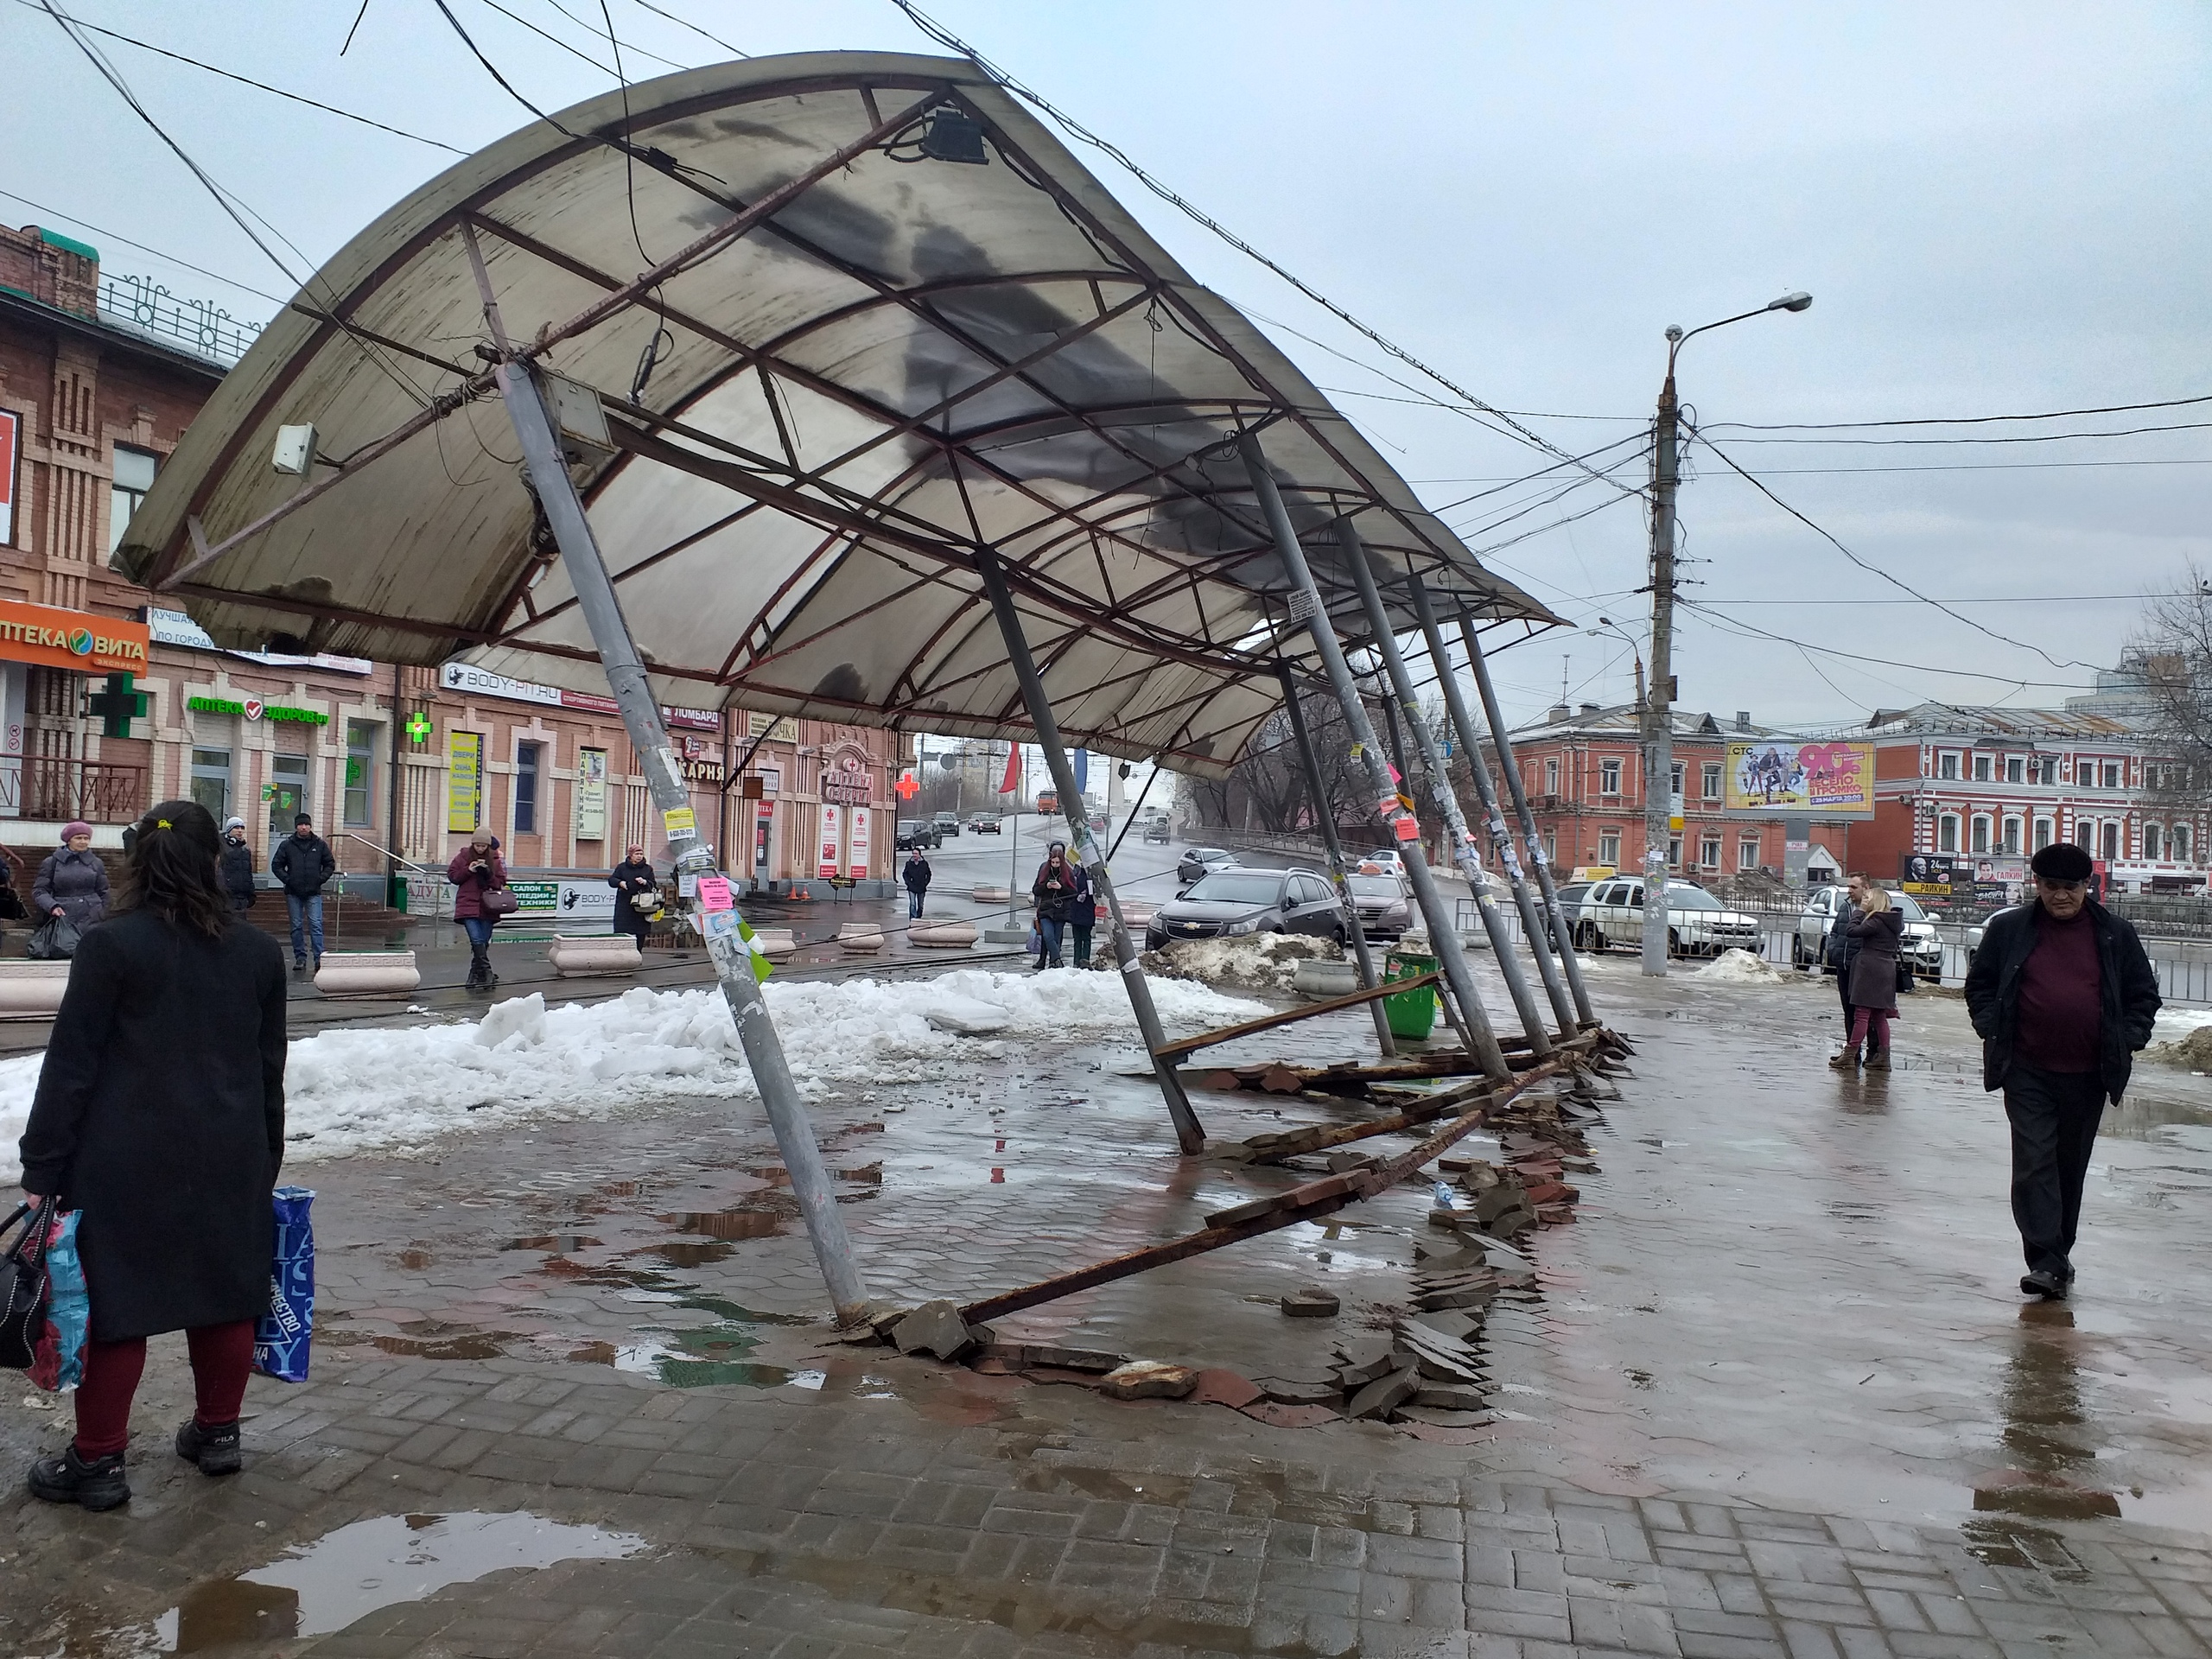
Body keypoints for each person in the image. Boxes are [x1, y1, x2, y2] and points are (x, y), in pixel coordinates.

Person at [17, 800, 287, 1510]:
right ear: (213, 860)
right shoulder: (258, 953)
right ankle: (218, 1435)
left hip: (121, 1159)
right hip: (230, 1153)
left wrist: (42, 1166)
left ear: (138, 861)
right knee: (227, 1295)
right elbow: (268, 1071)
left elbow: (70, 1067)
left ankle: (99, 1464)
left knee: (116, 1310)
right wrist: (267, 1160)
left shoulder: (110, 945)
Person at [1965, 841, 2160, 1300]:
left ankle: (2057, 1255)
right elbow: (1981, 985)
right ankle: (2046, 1262)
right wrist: (1991, 1028)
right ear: (2038, 885)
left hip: (2088, 1074)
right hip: (2027, 1070)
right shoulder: (2010, 929)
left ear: (2086, 886)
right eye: (2051, 887)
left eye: (2070, 887)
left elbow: (2143, 996)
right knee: (2033, 1165)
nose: (2061, 896)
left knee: (2068, 1168)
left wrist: (2126, 1038)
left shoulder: (2115, 934)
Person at [1838, 886, 1903, 1071]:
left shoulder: (1876, 920)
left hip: (1870, 970)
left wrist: (1860, 911)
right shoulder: (1894, 921)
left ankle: (1850, 1054)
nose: (1864, 900)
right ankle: (1884, 1057)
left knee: (1862, 1015)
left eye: (1868, 898)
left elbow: (1851, 931)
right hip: (1886, 970)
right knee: (1879, 1016)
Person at [270, 812, 335, 973]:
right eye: (300, 824)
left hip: (313, 892)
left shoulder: (319, 845)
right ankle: (300, 957)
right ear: (296, 826)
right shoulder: (287, 845)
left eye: (306, 824)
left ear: (310, 826)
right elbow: (276, 865)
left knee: (316, 925)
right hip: (293, 892)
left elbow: (330, 864)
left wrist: (320, 879)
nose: (303, 827)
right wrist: (288, 880)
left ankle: (319, 958)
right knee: (296, 926)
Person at [447, 829, 507, 993]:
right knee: (476, 939)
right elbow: (453, 877)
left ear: (488, 846)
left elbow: (500, 883)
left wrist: (488, 873)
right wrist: (469, 870)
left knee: (483, 942)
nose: (480, 849)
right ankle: (487, 973)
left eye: (483, 846)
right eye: (477, 845)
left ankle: (475, 974)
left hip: (488, 906)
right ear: (473, 844)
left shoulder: (495, 859)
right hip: (468, 905)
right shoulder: (463, 856)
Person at [35, 821, 110, 942]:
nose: (83, 841)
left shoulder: (96, 863)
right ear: (68, 840)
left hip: (92, 917)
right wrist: (52, 906)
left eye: (86, 838)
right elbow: (40, 890)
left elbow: (104, 891)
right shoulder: (52, 862)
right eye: (78, 838)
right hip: (63, 916)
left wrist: (104, 912)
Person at [1825, 874, 1866, 1068]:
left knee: (1865, 1013)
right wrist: (1833, 950)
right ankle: (1852, 1053)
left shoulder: (1870, 910)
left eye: (1854, 887)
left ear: (1865, 888)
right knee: (1848, 1011)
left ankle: (1872, 1053)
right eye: (1848, 886)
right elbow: (1834, 931)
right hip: (1843, 965)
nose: (1849, 890)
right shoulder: (1845, 907)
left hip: (1861, 968)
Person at [1030, 841, 1078, 969]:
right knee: (1047, 935)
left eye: (1057, 863)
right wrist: (1046, 886)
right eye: (1053, 862)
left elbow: (1073, 892)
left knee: (1055, 939)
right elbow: (1036, 890)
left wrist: (1061, 887)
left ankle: (1053, 963)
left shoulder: (1068, 872)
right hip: (1046, 910)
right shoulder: (1044, 870)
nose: (1055, 865)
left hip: (1061, 911)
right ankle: (1057, 960)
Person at [608, 844, 656, 947]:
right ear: (631, 855)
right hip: (625, 904)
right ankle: (621, 954)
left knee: (640, 932)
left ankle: (638, 954)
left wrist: (645, 882)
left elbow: (653, 884)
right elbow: (612, 880)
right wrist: (620, 883)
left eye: (641, 854)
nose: (639, 856)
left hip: (642, 905)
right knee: (623, 930)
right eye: (636, 854)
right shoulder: (622, 867)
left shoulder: (647, 869)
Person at [219, 817, 257, 913]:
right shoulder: (221, 847)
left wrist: (251, 892)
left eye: (242, 828)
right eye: (236, 827)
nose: (240, 830)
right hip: (227, 895)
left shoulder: (245, 850)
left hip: (242, 896)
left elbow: (248, 872)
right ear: (229, 829)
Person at [1068, 862, 1096, 969]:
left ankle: (1081, 961)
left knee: (1082, 938)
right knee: (1082, 938)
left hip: (1082, 911)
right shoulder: (1079, 874)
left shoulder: (1078, 874)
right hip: (1080, 911)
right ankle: (1081, 961)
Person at [902, 848, 932, 921]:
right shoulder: (909, 864)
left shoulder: (924, 864)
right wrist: (908, 883)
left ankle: (918, 917)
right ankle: (913, 919)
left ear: (919, 855)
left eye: (916, 854)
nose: (914, 855)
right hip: (912, 887)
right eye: (913, 854)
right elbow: (905, 874)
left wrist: (925, 883)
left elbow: (929, 874)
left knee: (920, 905)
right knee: (912, 904)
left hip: (921, 887)